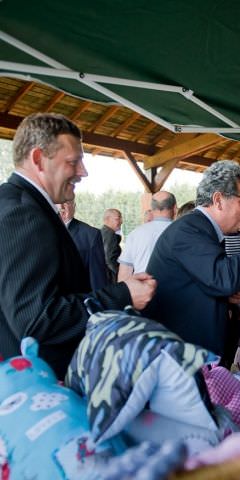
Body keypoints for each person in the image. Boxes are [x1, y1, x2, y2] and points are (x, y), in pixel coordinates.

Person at [0, 113, 156, 378]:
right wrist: (122, 295)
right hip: (40, 381)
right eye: (74, 162)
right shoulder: (24, 214)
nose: (83, 171)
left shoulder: (14, 201)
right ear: (38, 159)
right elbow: (37, 320)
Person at [143, 160, 240, 365]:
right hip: (180, 355)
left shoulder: (203, 230)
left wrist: (227, 295)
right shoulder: (189, 230)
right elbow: (222, 278)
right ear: (218, 200)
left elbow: (207, 281)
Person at [118, 191, 177, 280]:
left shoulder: (135, 233)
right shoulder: (184, 232)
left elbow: (125, 272)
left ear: (152, 209)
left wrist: (122, 293)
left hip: (142, 289)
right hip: (175, 290)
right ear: (175, 208)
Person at [59, 200, 109, 289]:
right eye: (58, 203)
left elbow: (97, 280)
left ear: (74, 206)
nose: (62, 207)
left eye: (66, 203)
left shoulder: (91, 235)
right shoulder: (40, 229)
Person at [101, 208, 123, 283]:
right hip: (111, 279)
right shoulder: (110, 235)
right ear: (107, 219)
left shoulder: (103, 232)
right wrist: (121, 274)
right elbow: (110, 260)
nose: (121, 222)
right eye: (117, 219)